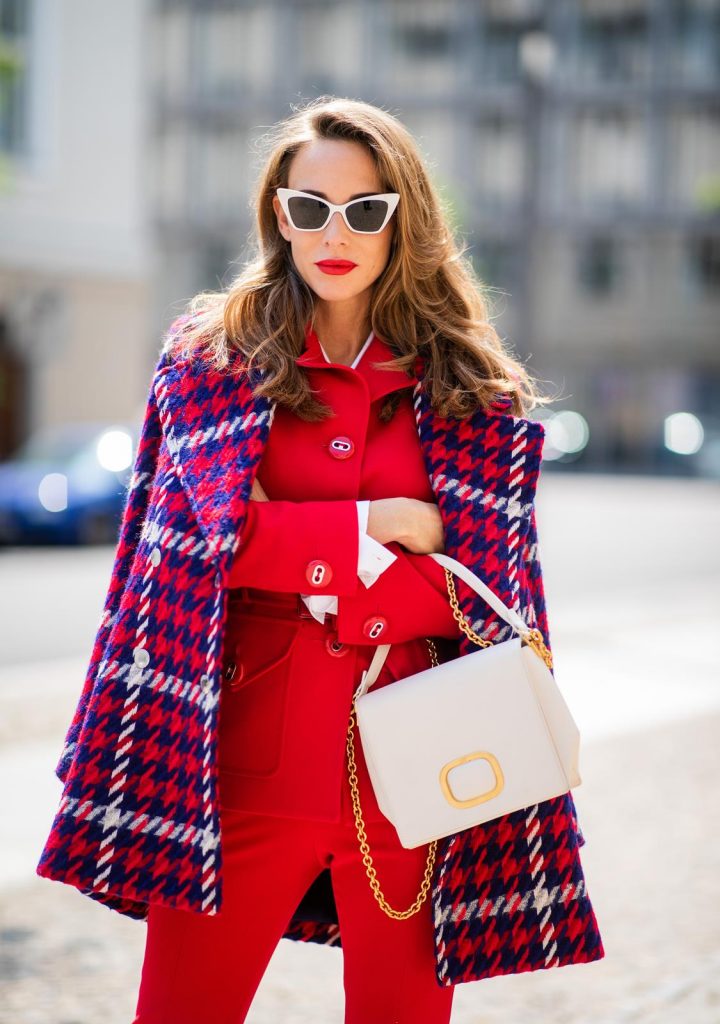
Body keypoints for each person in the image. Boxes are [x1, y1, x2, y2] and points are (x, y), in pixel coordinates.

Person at [37, 96, 605, 1024]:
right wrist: (371, 531)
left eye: (365, 211)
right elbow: (183, 557)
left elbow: (491, 601)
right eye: (309, 208)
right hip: (235, 770)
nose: (333, 233)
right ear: (278, 216)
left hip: (425, 777)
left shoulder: (472, 386)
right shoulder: (209, 363)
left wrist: (285, 546)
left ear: (403, 223)